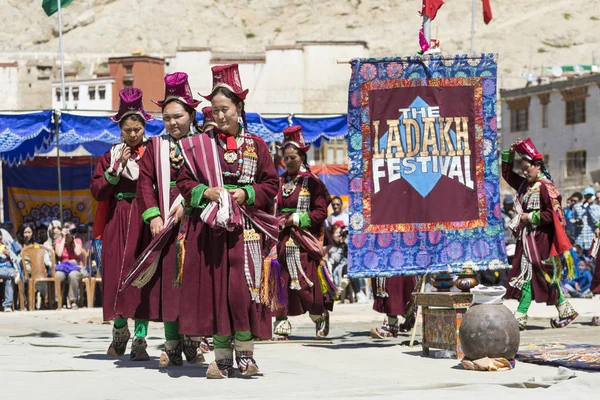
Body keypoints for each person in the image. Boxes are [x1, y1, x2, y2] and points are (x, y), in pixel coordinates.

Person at [176, 63, 279, 378]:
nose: (220, 116)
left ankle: (245, 354)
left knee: (241, 290)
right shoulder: (200, 147)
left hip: (245, 230)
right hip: (212, 231)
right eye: (215, 110)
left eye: (225, 109)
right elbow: (184, 182)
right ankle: (221, 356)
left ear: (239, 108)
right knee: (216, 291)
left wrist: (245, 194)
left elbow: (270, 185)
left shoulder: (257, 146)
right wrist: (206, 192)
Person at [135, 72, 206, 367]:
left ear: (191, 114)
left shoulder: (204, 144)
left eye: (178, 116)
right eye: (166, 118)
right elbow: (144, 183)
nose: (172, 123)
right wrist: (152, 215)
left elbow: (208, 180)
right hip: (164, 224)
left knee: (194, 283)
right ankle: (172, 342)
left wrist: (188, 204)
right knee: (169, 285)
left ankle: (193, 340)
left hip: (196, 222)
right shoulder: (155, 146)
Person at [90, 87, 155, 361]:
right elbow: (97, 190)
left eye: (137, 129)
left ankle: (140, 338)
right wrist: (115, 170)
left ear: (143, 127)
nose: (132, 135)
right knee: (116, 276)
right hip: (118, 218)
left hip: (145, 218)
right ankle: (119, 332)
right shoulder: (110, 155)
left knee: (143, 277)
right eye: (127, 129)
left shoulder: (153, 153)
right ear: (120, 129)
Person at [502, 138, 578, 330]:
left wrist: (529, 217)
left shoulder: (546, 187)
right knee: (541, 275)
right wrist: (510, 153)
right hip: (528, 238)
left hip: (541, 239)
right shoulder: (526, 185)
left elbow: (551, 215)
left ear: (538, 166)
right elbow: (507, 174)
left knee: (532, 274)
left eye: (527, 168)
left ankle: (520, 316)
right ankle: (564, 308)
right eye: (523, 168)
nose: (525, 172)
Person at [272, 125, 333, 340]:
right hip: (281, 239)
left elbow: (320, 212)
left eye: (292, 158)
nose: (287, 162)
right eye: (285, 158)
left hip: (303, 239)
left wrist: (296, 219)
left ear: (302, 157)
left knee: (305, 280)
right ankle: (281, 321)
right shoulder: (278, 181)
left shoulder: (313, 183)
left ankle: (318, 314)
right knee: (279, 278)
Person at [54, 221, 84, 310]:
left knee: (73, 275)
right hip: (63, 267)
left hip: (75, 267)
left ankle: (73, 301)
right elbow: (59, 254)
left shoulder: (78, 240)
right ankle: (58, 301)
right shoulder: (59, 241)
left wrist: (73, 238)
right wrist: (64, 237)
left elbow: (78, 252)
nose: (72, 231)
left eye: (73, 230)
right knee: (58, 276)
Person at [572, 187, 600, 253]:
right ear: (584, 196)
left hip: (591, 240)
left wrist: (590, 207)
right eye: (587, 196)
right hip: (579, 240)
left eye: (590, 196)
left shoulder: (597, 208)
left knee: (591, 262)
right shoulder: (577, 206)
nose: (588, 197)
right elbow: (571, 219)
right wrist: (576, 222)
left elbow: (596, 221)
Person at [0, 230, 21, 312]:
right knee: (11, 276)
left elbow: (17, 259)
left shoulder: (7, 247)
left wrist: (9, 254)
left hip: (8, 268)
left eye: (0, 236)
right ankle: (13, 275)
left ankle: (7, 305)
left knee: (9, 279)